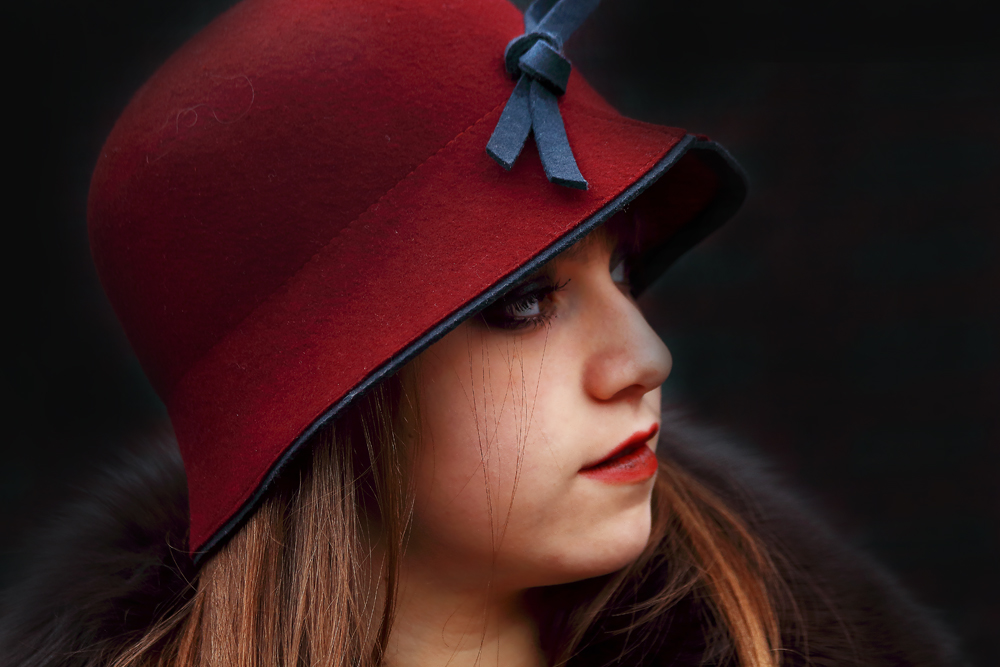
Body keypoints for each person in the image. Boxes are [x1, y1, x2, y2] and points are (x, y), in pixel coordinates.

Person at [0, 0, 961, 665]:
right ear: (315, 401)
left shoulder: (795, 628)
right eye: (522, 303)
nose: (646, 361)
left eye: (620, 270)